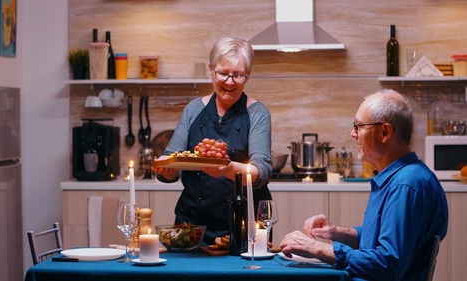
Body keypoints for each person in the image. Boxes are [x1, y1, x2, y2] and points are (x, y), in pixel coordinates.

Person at [280, 89, 448, 281]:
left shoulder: (405, 185)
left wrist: (317, 247)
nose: (353, 134)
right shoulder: (402, 177)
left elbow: (387, 264)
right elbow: (382, 241)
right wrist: (337, 233)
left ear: (385, 132)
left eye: (358, 126)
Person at [152, 37, 272, 244]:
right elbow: (172, 157)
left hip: (244, 225)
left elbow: (262, 171)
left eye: (238, 75)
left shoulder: (257, 113)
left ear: (248, 76)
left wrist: (226, 169)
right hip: (192, 225)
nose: (229, 81)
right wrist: (166, 170)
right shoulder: (194, 109)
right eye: (223, 73)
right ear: (211, 71)